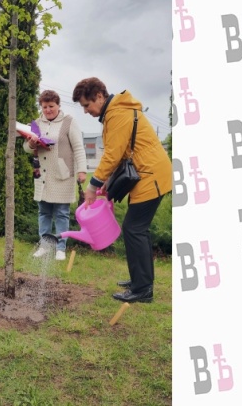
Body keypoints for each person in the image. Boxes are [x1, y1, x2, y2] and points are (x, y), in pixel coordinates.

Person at [73, 77, 172, 303]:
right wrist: (106, 181)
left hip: (151, 175)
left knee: (134, 229)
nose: (86, 111)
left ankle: (143, 289)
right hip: (147, 174)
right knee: (138, 229)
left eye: (87, 105)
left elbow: (113, 154)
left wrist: (93, 185)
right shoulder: (114, 112)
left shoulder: (117, 113)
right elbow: (122, 151)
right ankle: (140, 280)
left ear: (99, 96)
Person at [24, 90, 87, 261]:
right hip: (43, 175)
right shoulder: (36, 123)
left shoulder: (69, 122)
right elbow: (26, 148)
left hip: (63, 175)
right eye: (44, 107)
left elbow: (79, 147)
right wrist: (30, 144)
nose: (48, 110)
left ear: (58, 105)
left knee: (61, 213)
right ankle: (44, 245)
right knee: (43, 212)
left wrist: (82, 170)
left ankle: (60, 247)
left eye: (51, 106)